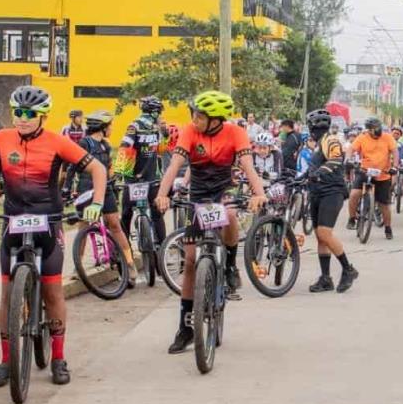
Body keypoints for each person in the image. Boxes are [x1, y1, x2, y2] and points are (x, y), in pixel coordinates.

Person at [0, 86, 108, 387]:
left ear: (43, 116)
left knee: (53, 292)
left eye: (30, 114)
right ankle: (5, 360)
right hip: (13, 221)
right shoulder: (1, 139)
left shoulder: (58, 142)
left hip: (48, 221)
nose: (23, 119)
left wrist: (96, 204)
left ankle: (59, 357)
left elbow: (98, 169)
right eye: (18, 113)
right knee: (6, 294)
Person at [153, 92, 267, 352]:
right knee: (191, 261)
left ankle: (229, 264)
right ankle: (185, 328)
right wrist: (162, 195)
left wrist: (258, 193)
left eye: (200, 115)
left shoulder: (235, 132)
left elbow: (248, 167)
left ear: (215, 119)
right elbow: (174, 165)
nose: (194, 119)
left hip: (224, 188)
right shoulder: (190, 131)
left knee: (227, 214)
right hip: (200, 192)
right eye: (194, 114)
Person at [299, 108, 358, 293]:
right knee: (320, 236)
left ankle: (348, 269)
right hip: (317, 192)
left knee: (325, 234)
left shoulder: (330, 139)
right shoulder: (317, 144)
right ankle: (326, 279)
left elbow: (335, 160)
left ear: (312, 127)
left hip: (331, 192)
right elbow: (312, 168)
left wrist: (318, 173)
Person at [73, 110, 136, 284]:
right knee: (84, 227)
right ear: (102, 127)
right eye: (110, 126)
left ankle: (129, 264)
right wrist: (67, 188)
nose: (112, 129)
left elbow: (108, 166)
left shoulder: (106, 145)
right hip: (87, 189)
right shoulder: (84, 143)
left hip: (106, 189)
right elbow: (74, 165)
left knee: (115, 224)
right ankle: (78, 267)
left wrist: (113, 177)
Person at [115, 96, 167, 256]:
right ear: (155, 112)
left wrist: (118, 172)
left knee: (126, 213)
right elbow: (161, 150)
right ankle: (163, 249)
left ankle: (125, 249)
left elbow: (124, 148)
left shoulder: (134, 126)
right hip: (152, 176)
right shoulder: (156, 128)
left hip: (134, 178)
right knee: (157, 214)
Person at [348, 117, 399, 240]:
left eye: (379, 128)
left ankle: (387, 228)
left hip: (383, 173)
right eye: (374, 129)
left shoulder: (387, 137)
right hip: (364, 171)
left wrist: (395, 167)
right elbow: (351, 149)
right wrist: (348, 159)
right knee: (354, 194)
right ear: (369, 130)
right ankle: (352, 218)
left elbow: (395, 152)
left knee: (384, 204)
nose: (377, 131)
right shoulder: (362, 137)